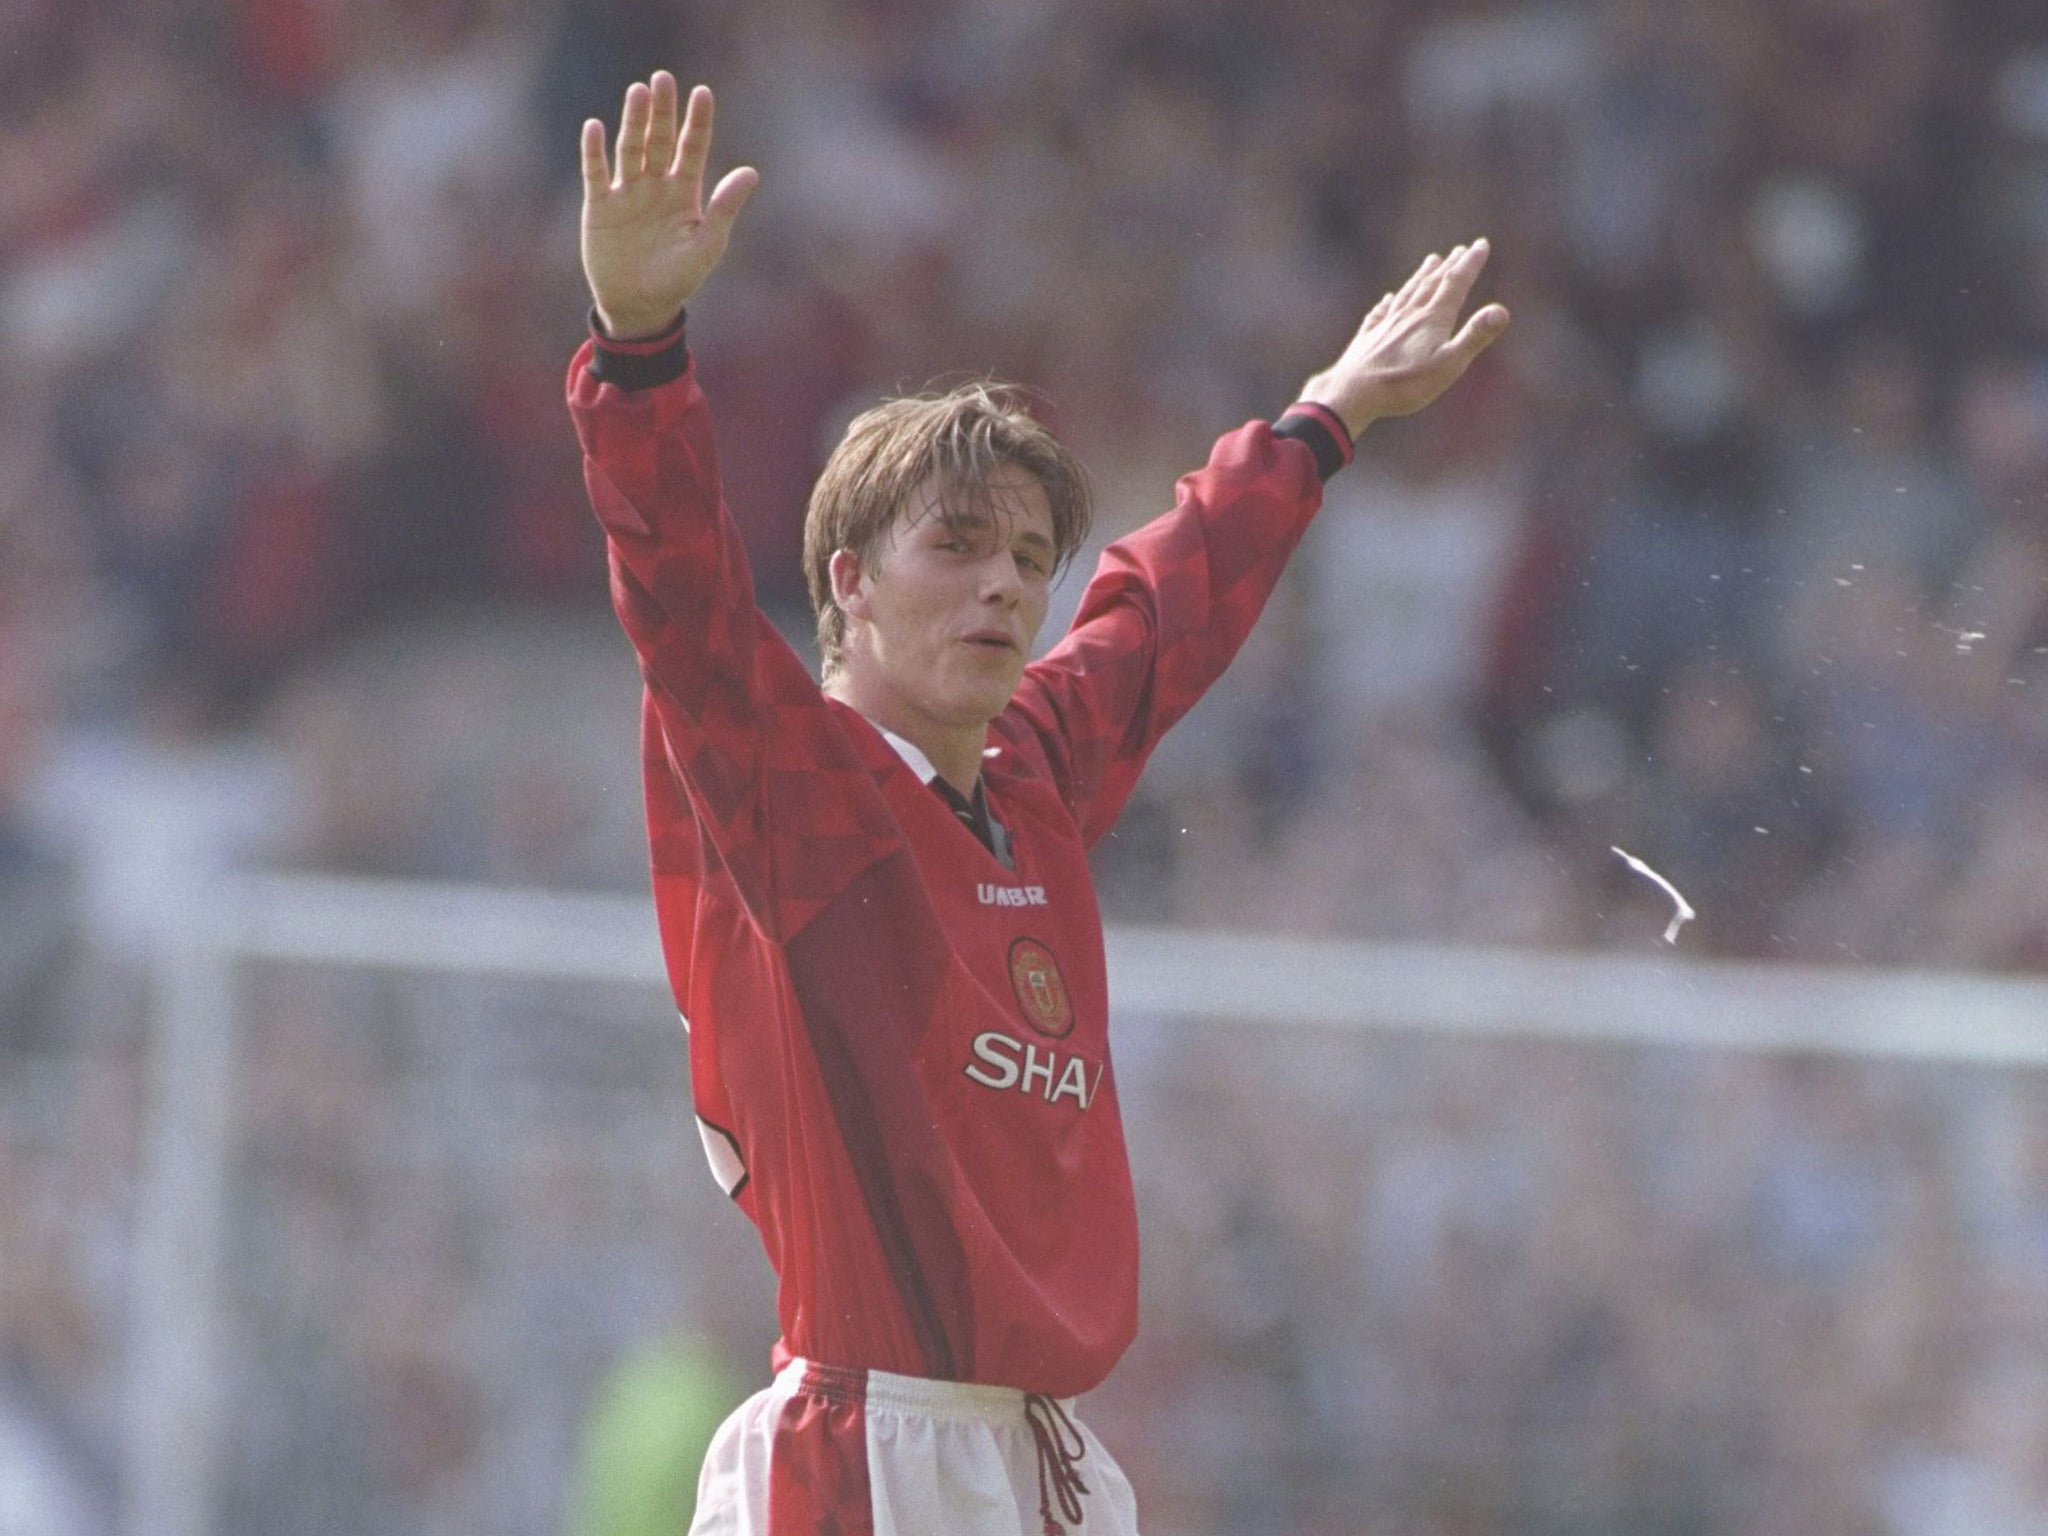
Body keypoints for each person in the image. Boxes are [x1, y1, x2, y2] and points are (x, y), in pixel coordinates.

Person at [567, 71, 1508, 1536]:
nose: (1008, 581)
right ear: (849, 585)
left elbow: (1157, 611)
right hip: (868, 1461)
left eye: (1025, 552)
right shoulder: (801, 797)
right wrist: (638, 350)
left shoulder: (1028, 778)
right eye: (958, 544)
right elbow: (680, 595)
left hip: (1042, 1465)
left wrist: (1326, 419)